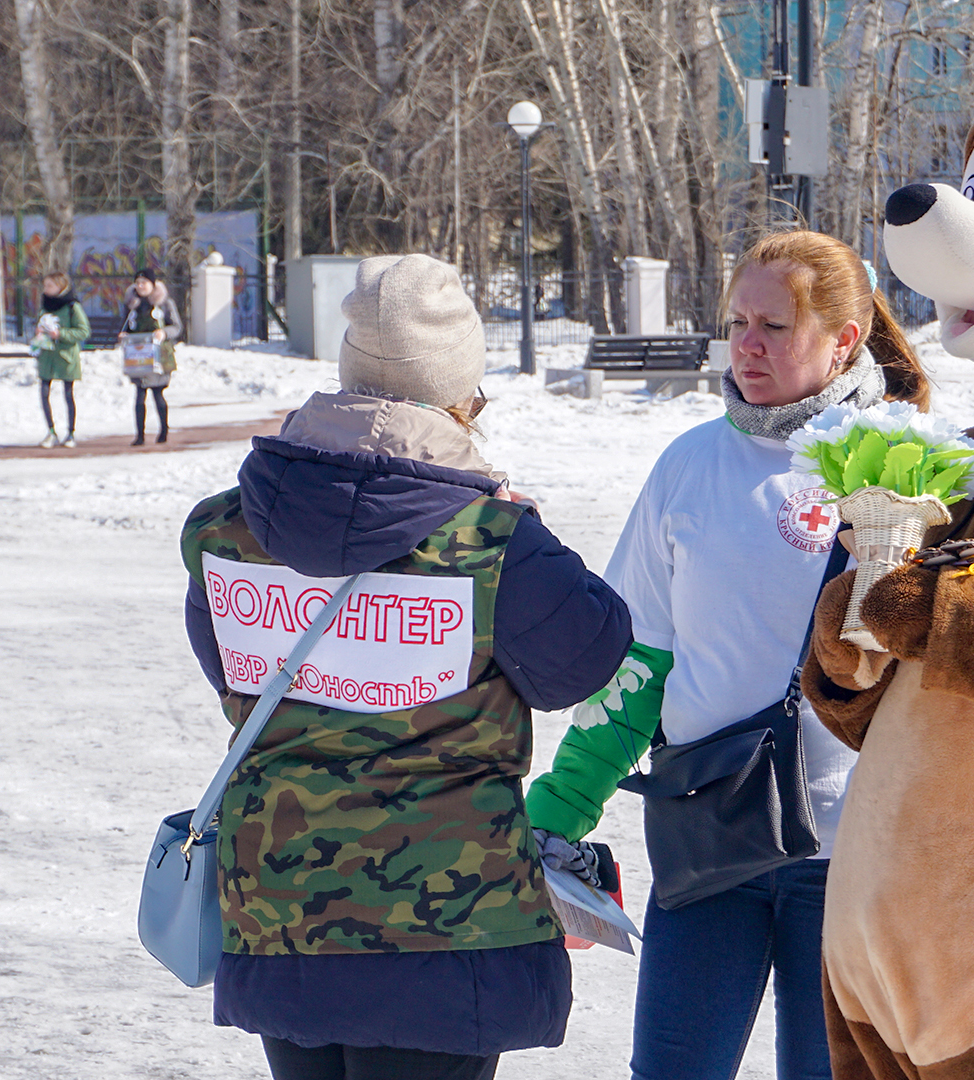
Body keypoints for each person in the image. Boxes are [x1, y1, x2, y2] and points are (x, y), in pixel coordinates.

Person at [180, 253, 632, 1080]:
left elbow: (232, 674)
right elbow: (590, 658)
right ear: (460, 398)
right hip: (450, 928)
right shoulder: (493, 542)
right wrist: (527, 530)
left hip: (284, 914)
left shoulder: (224, 530)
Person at [523, 230, 931, 1080]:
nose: (746, 345)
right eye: (738, 321)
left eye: (775, 327)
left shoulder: (911, 466)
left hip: (854, 854)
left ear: (845, 339)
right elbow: (637, 665)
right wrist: (562, 809)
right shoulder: (690, 466)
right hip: (709, 837)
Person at [117, 268, 182, 445]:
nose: (140, 286)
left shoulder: (165, 303)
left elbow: (177, 327)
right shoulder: (132, 304)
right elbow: (126, 326)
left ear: (153, 284)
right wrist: (124, 335)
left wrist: (164, 333)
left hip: (160, 357)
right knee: (139, 395)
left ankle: (164, 431)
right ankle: (140, 435)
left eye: (144, 283)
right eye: (137, 283)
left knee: (158, 393)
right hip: (138, 356)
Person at [32, 272, 90, 447]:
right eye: (45, 286)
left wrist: (61, 334)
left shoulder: (72, 306)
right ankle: (50, 431)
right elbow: (40, 323)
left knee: (67, 394)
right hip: (47, 356)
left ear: (60, 286)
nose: (46, 289)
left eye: (50, 286)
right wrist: (38, 333)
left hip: (66, 357)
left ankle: (71, 433)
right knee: (44, 393)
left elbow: (83, 331)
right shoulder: (45, 306)